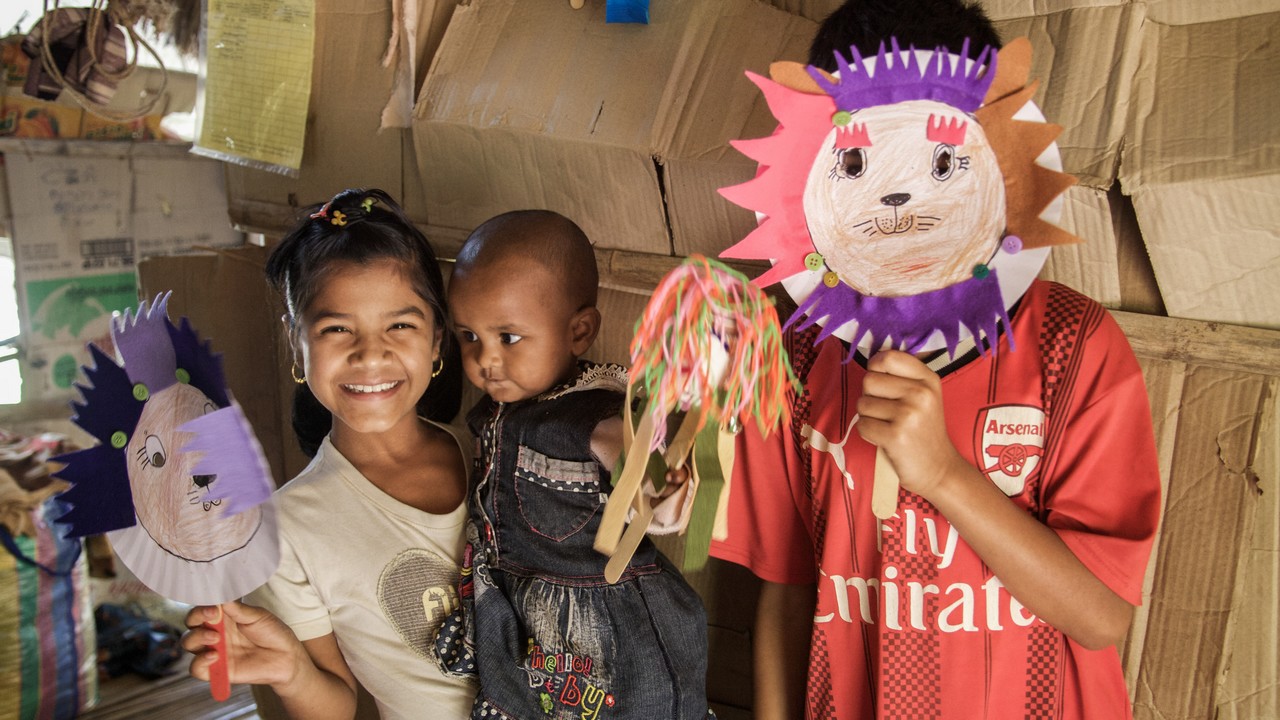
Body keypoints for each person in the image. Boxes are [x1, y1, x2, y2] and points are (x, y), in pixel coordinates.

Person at [708, 2, 1163, 719]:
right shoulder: (793, 354)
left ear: (998, 155)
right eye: (859, 163)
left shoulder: (1075, 348)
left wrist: (944, 473)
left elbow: (1101, 615)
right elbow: (790, 589)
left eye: (940, 162)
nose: (897, 197)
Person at [182, 188, 476, 719]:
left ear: (436, 342)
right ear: (298, 345)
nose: (370, 353)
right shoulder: (286, 529)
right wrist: (292, 670)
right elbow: (336, 706)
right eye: (337, 329)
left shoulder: (491, 452)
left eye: (401, 325)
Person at [435, 209, 711, 719]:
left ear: (579, 331)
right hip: (524, 617)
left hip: (600, 634)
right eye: (469, 336)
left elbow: (647, 489)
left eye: (508, 337)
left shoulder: (593, 418)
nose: (485, 360)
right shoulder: (502, 405)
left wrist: (661, 491)